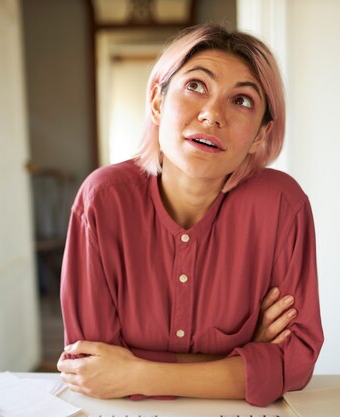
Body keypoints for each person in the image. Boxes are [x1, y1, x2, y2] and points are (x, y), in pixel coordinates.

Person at [57, 23, 323, 407]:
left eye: (242, 101)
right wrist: (244, 359)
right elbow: (90, 366)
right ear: (157, 102)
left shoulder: (282, 206)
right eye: (196, 86)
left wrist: (135, 372)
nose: (212, 115)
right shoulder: (103, 199)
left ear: (260, 136)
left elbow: (294, 364)